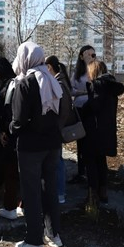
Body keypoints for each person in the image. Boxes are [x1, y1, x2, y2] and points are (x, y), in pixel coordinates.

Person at [10, 41, 63, 247]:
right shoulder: (51, 80)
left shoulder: (25, 82)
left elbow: (19, 120)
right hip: (52, 145)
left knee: (31, 193)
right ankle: (54, 234)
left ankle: (33, 240)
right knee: (49, 189)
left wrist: (10, 128)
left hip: (31, 146)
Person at [83, 61, 124, 205]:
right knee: (101, 161)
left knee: (90, 162)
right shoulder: (112, 86)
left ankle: (92, 195)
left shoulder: (97, 85)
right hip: (107, 130)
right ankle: (103, 192)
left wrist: (81, 109)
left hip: (93, 130)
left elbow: (94, 106)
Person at [0, 57, 22, 220]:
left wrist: (3, 131)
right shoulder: (19, 82)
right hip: (20, 134)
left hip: (10, 136)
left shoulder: (8, 86)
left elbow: (4, 112)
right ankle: (22, 203)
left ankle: (10, 207)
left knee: (10, 172)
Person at [45, 55, 76, 204]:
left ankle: (59, 193)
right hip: (58, 128)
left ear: (49, 67)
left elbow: (63, 110)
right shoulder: (62, 81)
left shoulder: (58, 83)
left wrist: (56, 127)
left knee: (57, 162)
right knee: (58, 160)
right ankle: (59, 192)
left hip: (56, 129)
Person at [69, 45, 96, 184]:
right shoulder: (77, 72)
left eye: (93, 54)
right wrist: (83, 93)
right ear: (81, 56)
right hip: (79, 109)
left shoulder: (97, 70)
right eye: (88, 54)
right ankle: (81, 171)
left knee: (90, 141)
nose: (91, 56)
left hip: (92, 109)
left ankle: (91, 171)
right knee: (80, 139)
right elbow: (71, 90)